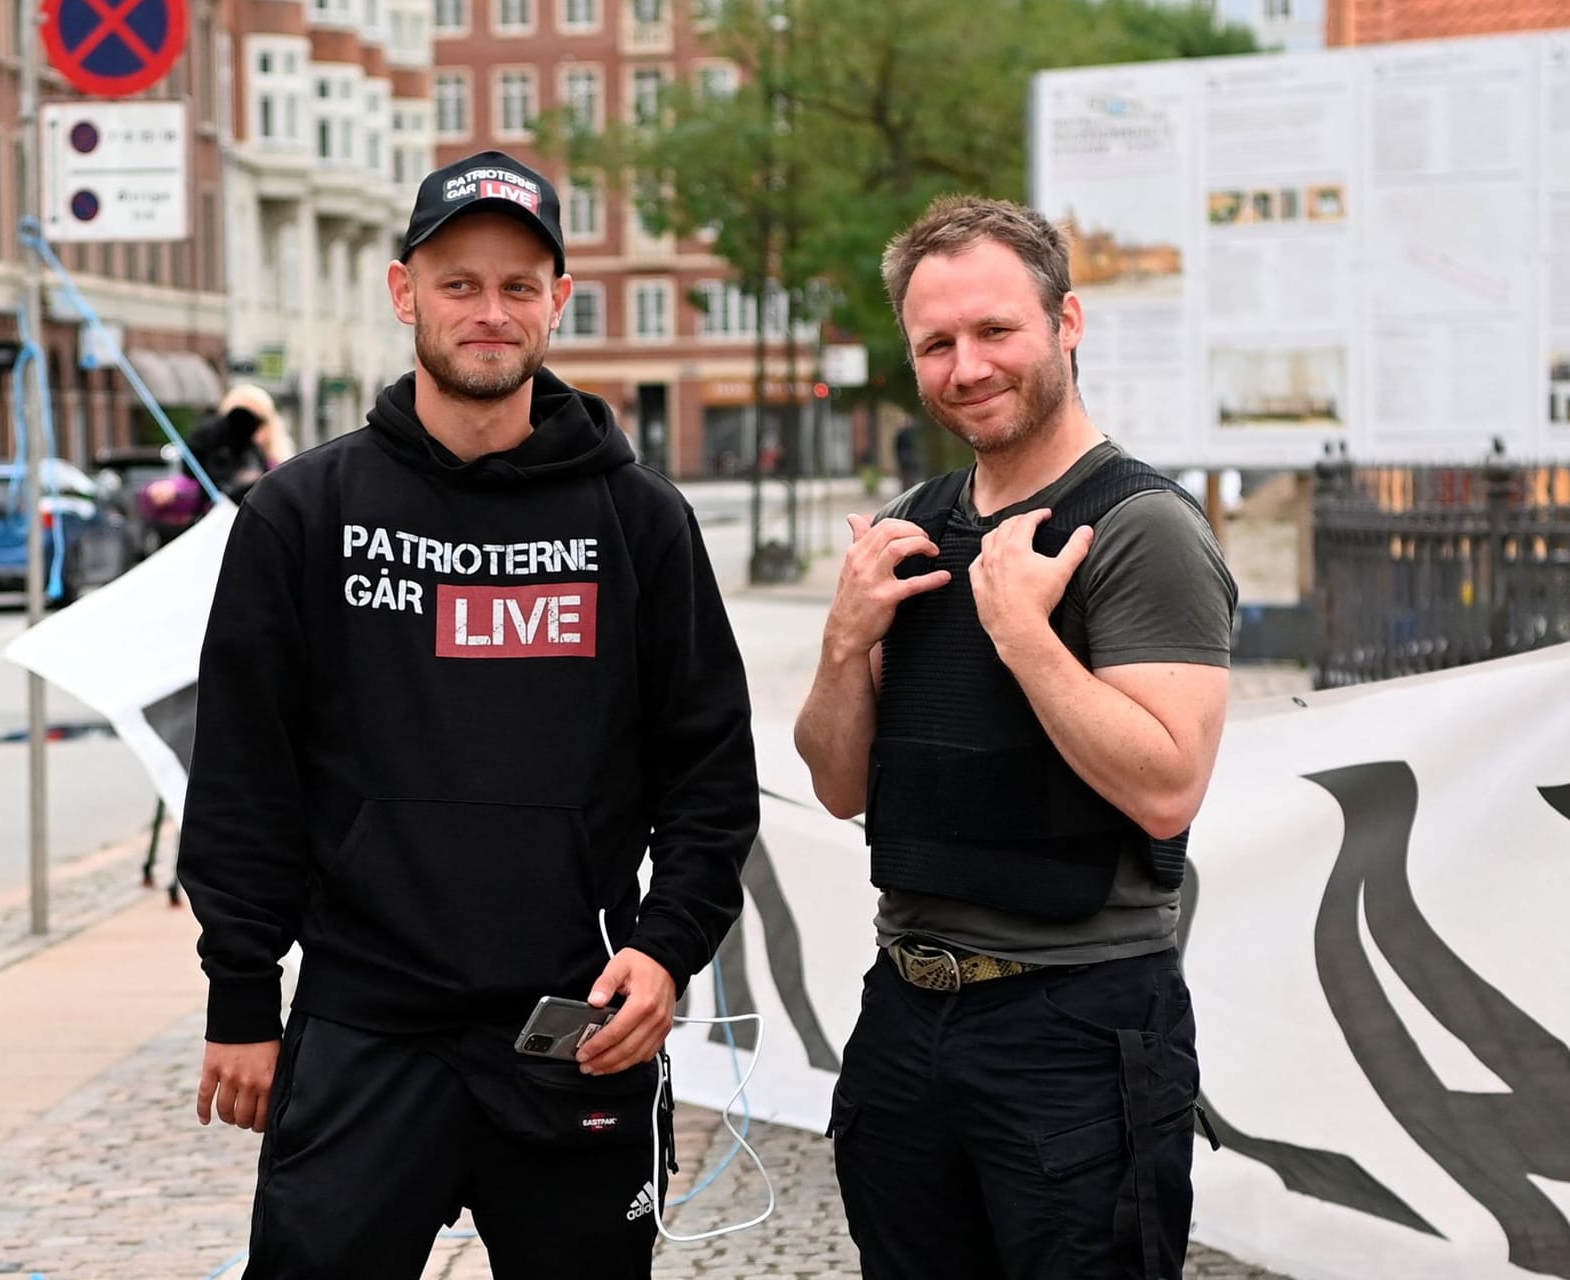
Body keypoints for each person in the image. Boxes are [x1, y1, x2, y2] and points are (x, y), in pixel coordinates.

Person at [177, 149, 759, 1279]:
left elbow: (708, 768)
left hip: (573, 1025)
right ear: (404, 293)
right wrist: (242, 990)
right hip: (363, 1025)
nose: (489, 312)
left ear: (558, 303)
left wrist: (665, 947)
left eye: (517, 285)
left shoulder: (638, 522)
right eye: (458, 283)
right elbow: (244, 770)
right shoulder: (305, 514)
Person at [793, 194, 1236, 1279]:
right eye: (936, 342)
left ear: (1067, 322)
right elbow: (841, 784)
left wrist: (1023, 633)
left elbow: (1168, 785)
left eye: (996, 330)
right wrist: (846, 640)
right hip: (906, 1005)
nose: (967, 365)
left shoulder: (1141, 527)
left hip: (1074, 1025)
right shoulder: (919, 516)